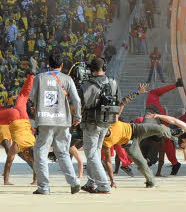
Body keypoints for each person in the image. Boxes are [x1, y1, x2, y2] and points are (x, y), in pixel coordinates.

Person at [28, 54, 82, 195]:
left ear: (48, 64)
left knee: (40, 152)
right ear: (62, 65)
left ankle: (44, 187)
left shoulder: (40, 78)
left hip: (45, 120)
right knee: (63, 152)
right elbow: (76, 100)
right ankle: (74, 182)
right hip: (63, 121)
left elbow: (32, 97)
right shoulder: (67, 79)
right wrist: (77, 116)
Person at [79, 57, 119, 194]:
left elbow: (81, 103)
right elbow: (117, 101)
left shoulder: (89, 84)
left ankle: (103, 184)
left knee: (91, 154)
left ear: (91, 70)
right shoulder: (113, 82)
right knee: (95, 152)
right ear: (105, 68)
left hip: (91, 123)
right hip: (106, 122)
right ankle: (91, 182)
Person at [143, 78, 184, 176]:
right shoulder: (152, 100)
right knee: (166, 141)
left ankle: (173, 163)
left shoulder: (151, 101)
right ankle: (174, 164)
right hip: (156, 117)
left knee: (164, 141)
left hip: (154, 115)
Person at [0, 74, 35, 185]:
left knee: (23, 95)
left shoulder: (34, 143)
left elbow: (35, 163)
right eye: (28, 157)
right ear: (28, 152)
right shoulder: (17, 146)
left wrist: (35, 181)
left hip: (24, 116)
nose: (27, 159)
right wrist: (6, 182)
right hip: (13, 117)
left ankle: (31, 76)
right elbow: (8, 163)